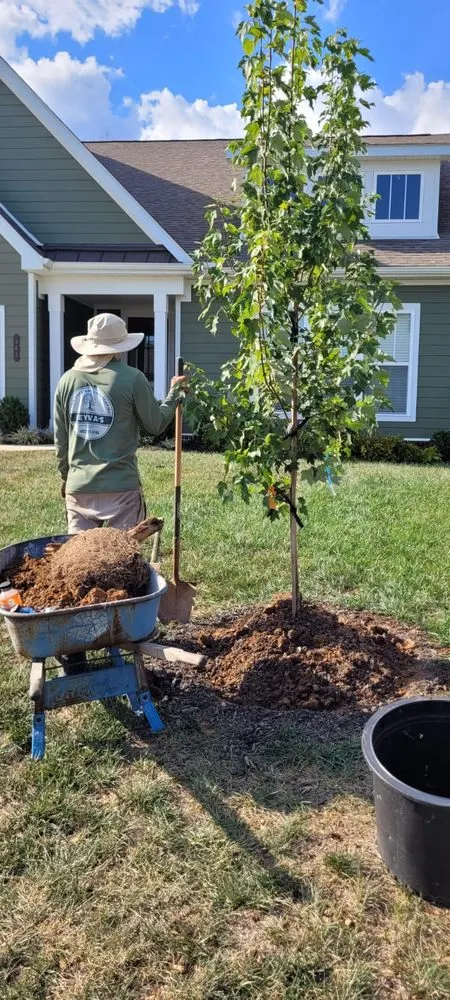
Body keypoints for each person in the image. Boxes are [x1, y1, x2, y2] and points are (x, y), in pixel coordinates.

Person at [53, 312, 187, 533]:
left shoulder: (66, 380)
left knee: (81, 563)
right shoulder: (132, 378)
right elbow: (156, 424)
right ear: (121, 347)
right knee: (124, 561)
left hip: (79, 490)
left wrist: (67, 478)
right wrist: (174, 394)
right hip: (122, 490)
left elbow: (61, 442)